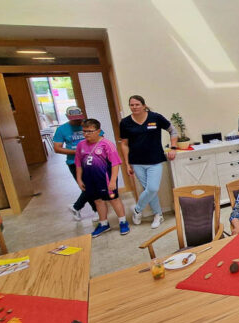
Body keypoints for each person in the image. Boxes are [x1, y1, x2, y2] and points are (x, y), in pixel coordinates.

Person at [119, 95, 178, 229]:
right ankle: (159, 214)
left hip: (155, 159)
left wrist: (173, 147)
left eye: (137, 104)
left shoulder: (155, 117)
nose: (134, 107)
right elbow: (124, 144)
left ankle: (137, 210)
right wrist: (127, 164)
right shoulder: (125, 122)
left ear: (144, 105)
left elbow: (173, 131)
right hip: (137, 161)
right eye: (132, 105)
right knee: (149, 191)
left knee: (152, 188)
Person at [75, 119, 130, 238]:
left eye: (90, 131)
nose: (86, 134)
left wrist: (113, 181)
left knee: (113, 199)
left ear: (98, 131)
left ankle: (123, 221)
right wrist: (79, 179)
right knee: (97, 201)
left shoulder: (107, 144)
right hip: (89, 179)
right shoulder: (81, 145)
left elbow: (115, 163)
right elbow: (78, 164)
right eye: (84, 131)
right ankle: (104, 223)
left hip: (105, 179)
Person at [53, 106, 99, 222]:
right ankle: (95, 210)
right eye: (74, 119)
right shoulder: (62, 129)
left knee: (93, 185)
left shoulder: (88, 125)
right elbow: (57, 148)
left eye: (79, 118)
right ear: (68, 117)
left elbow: (100, 138)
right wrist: (77, 152)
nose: (78, 121)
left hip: (92, 160)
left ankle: (76, 207)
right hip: (74, 162)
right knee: (87, 186)